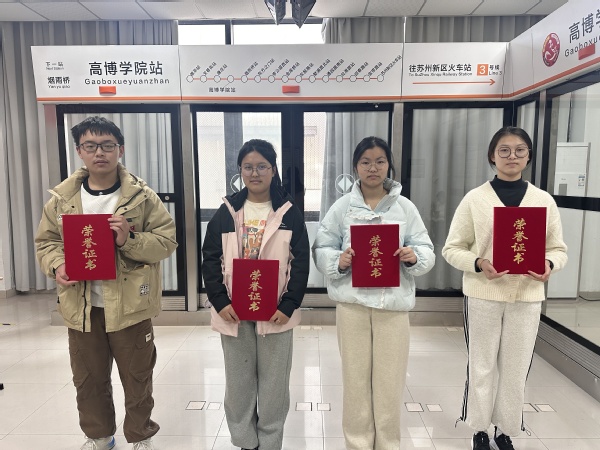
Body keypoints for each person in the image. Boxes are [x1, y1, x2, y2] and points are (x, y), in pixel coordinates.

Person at [35, 116, 178, 450]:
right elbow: (46, 243)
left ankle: (140, 436)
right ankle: (99, 436)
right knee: (88, 379)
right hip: (81, 307)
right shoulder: (62, 200)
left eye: (107, 145)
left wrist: (129, 239)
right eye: (90, 145)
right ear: (79, 151)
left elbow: (166, 241)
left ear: (120, 150)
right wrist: (57, 264)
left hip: (130, 307)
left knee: (137, 377)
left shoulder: (142, 197)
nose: (99, 152)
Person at [442, 127, 568, 450]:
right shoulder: (475, 199)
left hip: (527, 297)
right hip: (483, 294)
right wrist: (478, 262)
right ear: (492, 156)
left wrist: (549, 264)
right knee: (481, 365)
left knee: (516, 367)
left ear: (529, 156)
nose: (512, 156)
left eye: (520, 150)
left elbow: (558, 249)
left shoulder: (543, 200)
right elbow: (452, 248)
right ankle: (479, 429)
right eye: (504, 150)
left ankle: (505, 428)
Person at [312, 136, 435, 450]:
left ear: (388, 165)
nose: (373, 168)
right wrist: (337, 260)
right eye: (365, 162)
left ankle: (388, 444)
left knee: (389, 383)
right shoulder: (342, 208)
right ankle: (357, 444)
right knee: (355, 381)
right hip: (352, 306)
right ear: (356, 167)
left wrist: (414, 256)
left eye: (380, 161)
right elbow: (322, 247)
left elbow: (425, 248)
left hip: (393, 307)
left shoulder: (405, 208)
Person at [201, 139, 310, 450]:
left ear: (273, 170)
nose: (255, 173)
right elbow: (210, 258)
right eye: (248, 167)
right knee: (239, 385)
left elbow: (301, 262)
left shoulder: (289, 212)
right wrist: (220, 301)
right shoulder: (227, 211)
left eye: (262, 166)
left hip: (276, 312)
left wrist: (289, 305)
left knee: (275, 386)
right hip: (233, 312)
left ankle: (270, 442)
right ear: (240, 171)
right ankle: (246, 443)